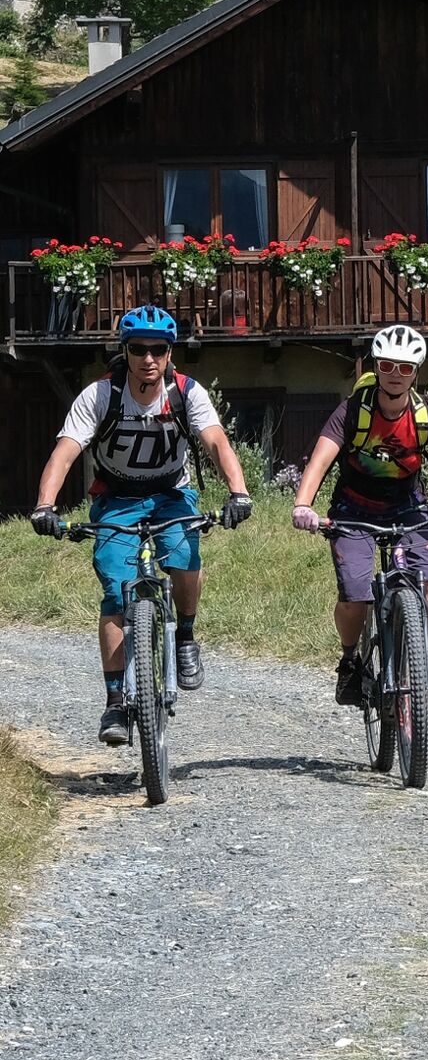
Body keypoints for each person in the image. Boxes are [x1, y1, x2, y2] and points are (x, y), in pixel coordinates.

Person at [29, 305, 255, 745]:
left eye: (158, 349)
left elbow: (216, 442)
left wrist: (239, 492)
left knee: (185, 556)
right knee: (117, 592)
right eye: (138, 349)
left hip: (172, 493)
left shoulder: (186, 392)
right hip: (117, 497)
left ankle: (185, 635)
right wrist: (44, 505)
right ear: (125, 351)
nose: (148, 358)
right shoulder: (101, 395)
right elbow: (66, 451)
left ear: (170, 353)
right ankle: (115, 701)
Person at [290, 324, 428, 711]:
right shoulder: (353, 410)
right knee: (356, 593)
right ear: (377, 366)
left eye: (405, 368)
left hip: (408, 507)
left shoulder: (427, 413)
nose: (395, 374)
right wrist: (303, 505)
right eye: (387, 365)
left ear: (416, 372)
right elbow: (320, 460)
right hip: (354, 508)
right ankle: (351, 663)